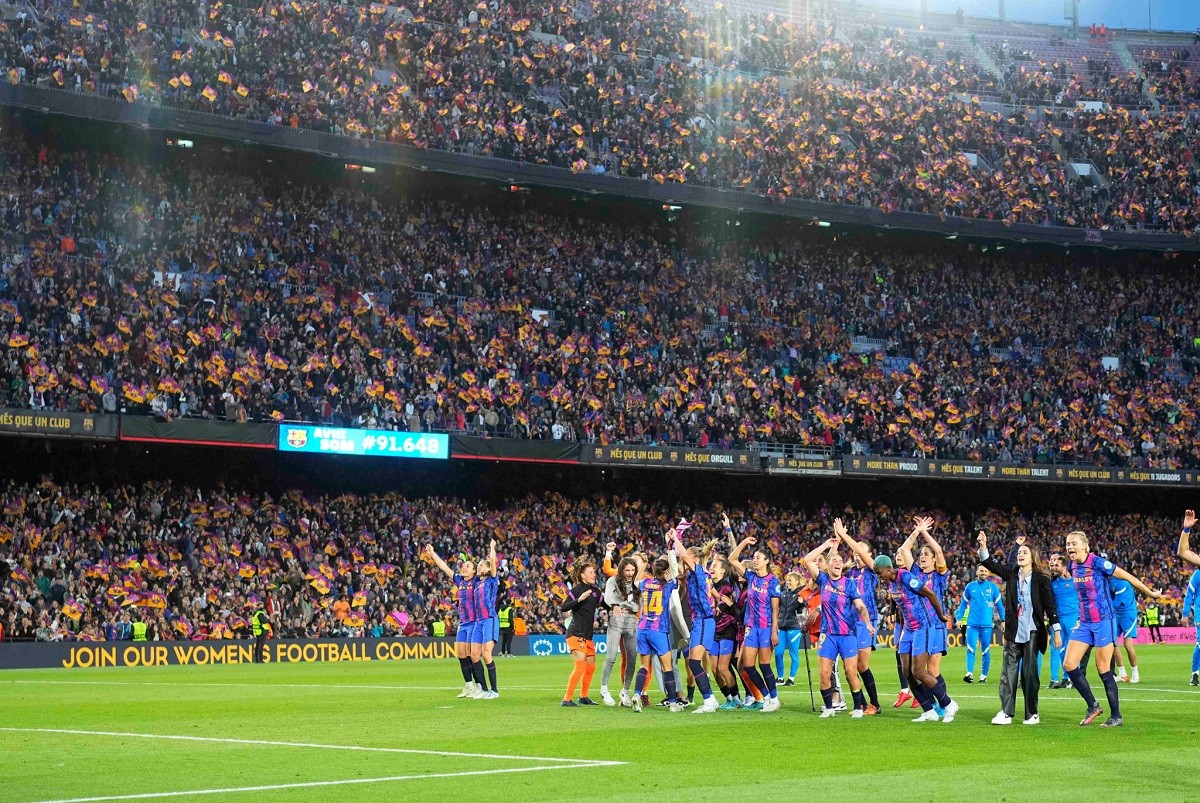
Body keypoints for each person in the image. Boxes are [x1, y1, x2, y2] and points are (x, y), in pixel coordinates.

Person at [1062, 530, 1162, 728]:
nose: (1070, 547)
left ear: (1084, 546)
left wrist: (1149, 593)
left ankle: (1116, 715)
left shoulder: (1098, 563)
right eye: (1067, 544)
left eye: (1073, 543)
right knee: (1069, 663)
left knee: (1103, 668)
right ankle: (1093, 706)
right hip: (1084, 622)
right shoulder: (1071, 566)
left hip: (1104, 621)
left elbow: (1128, 577)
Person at [977, 532, 1061, 726]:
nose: (1021, 554)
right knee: (1008, 673)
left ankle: (1032, 713)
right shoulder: (1012, 574)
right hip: (1014, 631)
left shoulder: (1041, 578)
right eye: (1019, 552)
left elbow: (1050, 605)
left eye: (1025, 552)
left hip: (1032, 630)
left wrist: (1056, 630)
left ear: (1032, 557)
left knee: (1029, 675)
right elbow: (990, 564)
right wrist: (983, 546)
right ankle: (1006, 712)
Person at [802, 534, 875, 718]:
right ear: (828, 564)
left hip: (847, 634)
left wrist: (867, 622)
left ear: (842, 566)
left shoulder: (849, 584)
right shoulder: (823, 580)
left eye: (840, 560)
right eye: (834, 560)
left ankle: (859, 707)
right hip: (828, 634)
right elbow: (807, 559)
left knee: (851, 672)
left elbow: (860, 605)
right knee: (824, 673)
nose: (838, 562)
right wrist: (826, 544)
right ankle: (828, 707)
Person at [897, 517, 959, 723]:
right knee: (916, 671)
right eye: (921, 554)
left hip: (936, 626)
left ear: (933, 559)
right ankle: (932, 708)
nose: (922, 557)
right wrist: (916, 532)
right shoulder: (914, 572)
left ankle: (945, 706)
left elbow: (940, 551)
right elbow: (905, 550)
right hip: (916, 627)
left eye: (926, 554)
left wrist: (925, 533)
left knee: (931, 670)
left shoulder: (939, 575)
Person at [670, 519, 721, 714]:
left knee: (693, 662)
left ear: (695, 560)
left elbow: (682, 553)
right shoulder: (693, 575)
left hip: (703, 620)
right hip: (701, 621)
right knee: (693, 662)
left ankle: (710, 700)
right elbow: (677, 562)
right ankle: (709, 699)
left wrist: (676, 538)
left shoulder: (698, 571)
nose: (685, 561)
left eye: (688, 559)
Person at [835, 517, 884, 714]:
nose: (856, 556)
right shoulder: (850, 573)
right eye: (854, 553)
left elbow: (863, 554)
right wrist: (837, 542)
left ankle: (875, 704)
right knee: (851, 666)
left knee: (862, 665)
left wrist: (845, 535)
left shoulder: (873, 570)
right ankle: (862, 703)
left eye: (860, 553)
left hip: (866, 620)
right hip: (849, 623)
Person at [729, 535, 782, 712]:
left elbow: (775, 608)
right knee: (748, 666)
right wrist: (743, 543)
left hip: (767, 627)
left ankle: (774, 699)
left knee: (764, 664)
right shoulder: (750, 577)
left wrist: (775, 631)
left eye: (758, 557)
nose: (755, 559)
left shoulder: (773, 581)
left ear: (766, 561)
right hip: (751, 627)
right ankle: (766, 696)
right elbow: (732, 559)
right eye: (754, 557)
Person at [425, 543, 481, 699]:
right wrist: (433, 552)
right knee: (461, 655)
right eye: (464, 565)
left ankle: (479, 686)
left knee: (471, 655)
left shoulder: (476, 582)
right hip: (463, 623)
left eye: (468, 566)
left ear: (474, 571)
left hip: (474, 622)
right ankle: (468, 685)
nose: (464, 567)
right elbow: (443, 567)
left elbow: (489, 572)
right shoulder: (459, 581)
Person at [632, 556, 682, 713]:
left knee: (643, 666)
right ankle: (673, 703)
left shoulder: (645, 583)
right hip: (658, 630)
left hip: (642, 629)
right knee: (667, 667)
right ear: (665, 571)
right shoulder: (668, 585)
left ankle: (636, 695)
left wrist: (644, 566)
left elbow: (635, 581)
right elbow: (677, 574)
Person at [560, 559, 602, 707]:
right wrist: (579, 599)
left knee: (591, 667)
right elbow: (563, 607)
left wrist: (616, 606)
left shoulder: (596, 591)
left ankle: (583, 696)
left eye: (594, 572)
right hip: (576, 632)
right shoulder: (577, 590)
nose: (593, 574)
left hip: (588, 635)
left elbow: (605, 604)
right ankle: (566, 699)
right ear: (583, 575)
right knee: (580, 666)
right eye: (590, 572)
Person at [600, 554, 639, 707]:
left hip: (632, 620)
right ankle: (604, 688)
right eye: (627, 570)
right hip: (617, 618)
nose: (630, 573)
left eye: (632, 570)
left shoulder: (637, 583)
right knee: (611, 657)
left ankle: (626, 690)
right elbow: (608, 597)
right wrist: (614, 606)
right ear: (621, 570)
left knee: (632, 658)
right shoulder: (613, 581)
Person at [956, 564, 1004, 684]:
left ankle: (983, 675)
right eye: (981, 570)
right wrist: (959, 618)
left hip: (987, 625)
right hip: (972, 624)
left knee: (985, 650)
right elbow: (963, 604)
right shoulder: (970, 587)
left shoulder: (993, 587)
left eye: (985, 571)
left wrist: (1003, 620)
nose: (983, 572)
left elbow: (1000, 606)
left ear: (988, 573)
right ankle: (969, 673)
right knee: (970, 648)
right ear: (977, 572)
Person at [710, 551, 743, 709]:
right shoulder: (710, 586)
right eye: (711, 565)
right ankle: (728, 698)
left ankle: (736, 699)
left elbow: (731, 607)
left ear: (723, 570)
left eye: (715, 565)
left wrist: (717, 596)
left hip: (728, 630)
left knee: (723, 667)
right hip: (714, 630)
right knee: (714, 669)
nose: (711, 567)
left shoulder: (727, 587)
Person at [1047, 552, 1083, 689]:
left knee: (1072, 649)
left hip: (1073, 619)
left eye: (1057, 565)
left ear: (1064, 567)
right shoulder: (1052, 582)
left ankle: (1072, 679)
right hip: (1058, 620)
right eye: (1053, 564)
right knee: (1056, 649)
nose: (1053, 567)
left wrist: (1081, 618)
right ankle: (1055, 679)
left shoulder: (1075, 581)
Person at [472, 540, 500, 698]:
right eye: (479, 565)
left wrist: (491, 548)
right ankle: (483, 689)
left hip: (489, 618)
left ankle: (494, 690)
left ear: (489, 569)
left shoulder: (491, 579)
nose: (479, 567)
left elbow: (493, 563)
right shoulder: (477, 583)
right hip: (478, 621)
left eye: (482, 565)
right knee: (474, 655)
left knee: (486, 653)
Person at [1109, 571, 1140, 684]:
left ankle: (1135, 673)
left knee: (1127, 645)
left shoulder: (1123, 583)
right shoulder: (1107, 581)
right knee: (1113, 644)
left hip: (1128, 614)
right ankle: (1122, 674)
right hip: (1116, 614)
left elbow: (1115, 603)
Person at [775, 572, 804, 688]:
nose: (787, 582)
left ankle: (791, 678)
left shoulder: (800, 595)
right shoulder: (782, 595)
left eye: (790, 580)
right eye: (787, 580)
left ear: (796, 582)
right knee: (778, 653)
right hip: (782, 627)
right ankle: (780, 678)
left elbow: (803, 610)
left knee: (794, 654)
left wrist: (803, 603)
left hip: (794, 628)